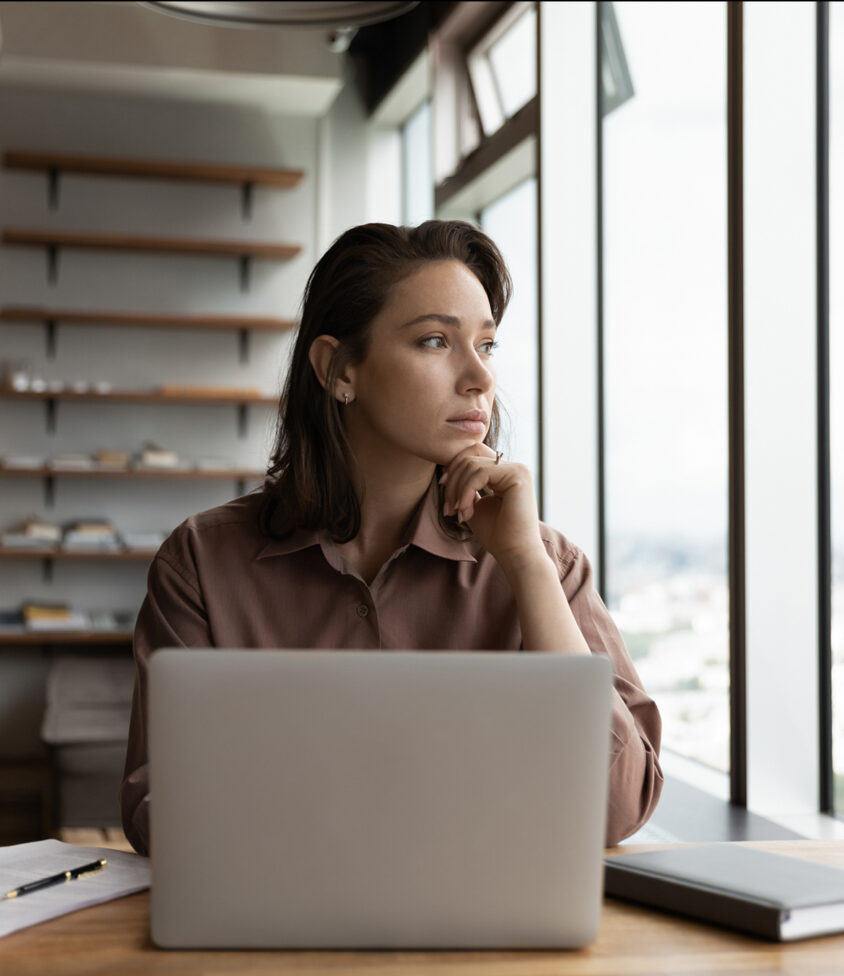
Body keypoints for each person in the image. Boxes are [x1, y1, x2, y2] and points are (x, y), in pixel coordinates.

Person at [120, 220, 663, 854]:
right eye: (436, 341)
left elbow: (617, 807)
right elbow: (157, 807)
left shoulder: (547, 562)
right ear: (339, 369)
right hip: (273, 940)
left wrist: (524, 563)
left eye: (485, 346)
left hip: (489, 942)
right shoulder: (202, 563)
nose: (480, 379)